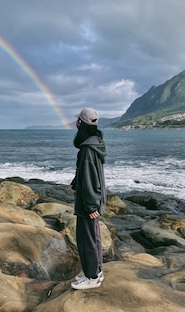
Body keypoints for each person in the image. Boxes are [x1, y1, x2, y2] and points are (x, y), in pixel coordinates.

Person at [70, 107, 107, 290]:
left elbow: (90, 177)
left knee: (87, 239)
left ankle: (91, 277)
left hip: (89, 202)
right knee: (94, 236)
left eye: (77, 120)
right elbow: (90, 174)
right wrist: (76, 181)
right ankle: (96, 271)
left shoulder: (87, 148)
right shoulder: (96, 143)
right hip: (94, 198)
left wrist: (91, 206)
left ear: (80, 123)